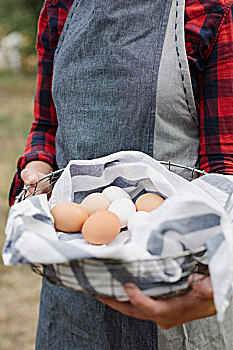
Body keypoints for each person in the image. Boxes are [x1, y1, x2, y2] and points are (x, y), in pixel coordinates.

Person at [9, 0, 233, 348]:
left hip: (178, 286)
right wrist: (36, 170)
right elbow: (47, 125)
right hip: (74, 283)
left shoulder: (209, 12)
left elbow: (224, 170)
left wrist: (215, 281)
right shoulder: (61, 7)